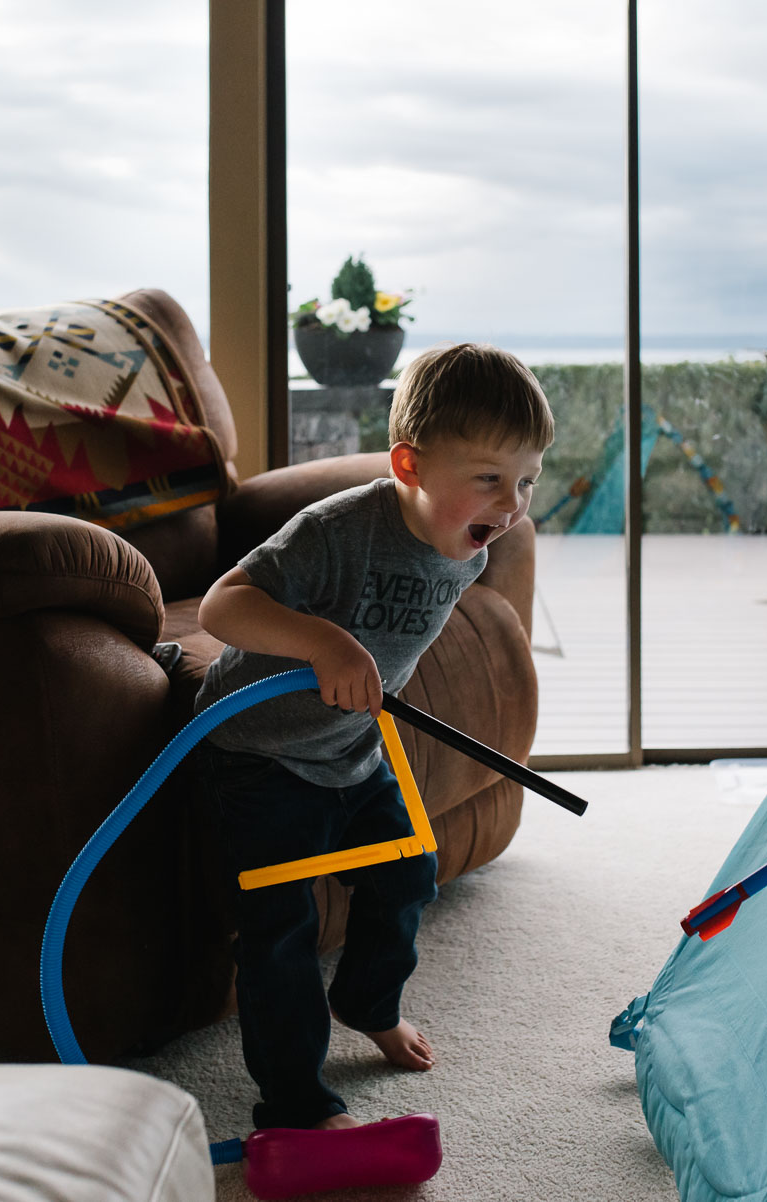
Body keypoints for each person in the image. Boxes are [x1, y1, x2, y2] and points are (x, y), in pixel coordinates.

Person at [194, 342, 553, 1131]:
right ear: (410, 466)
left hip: (351, 751)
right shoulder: (337, 531)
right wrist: (324, 643)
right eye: (490, 478)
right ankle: (294, 1102)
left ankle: (367, 1002)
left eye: (527, 478)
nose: (514, 502)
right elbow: (223, 607)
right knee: (279, 929)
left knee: (408, 871)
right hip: (259, 752)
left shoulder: (470, 543)